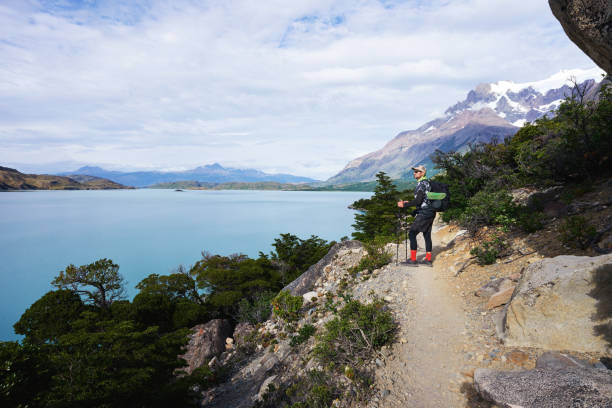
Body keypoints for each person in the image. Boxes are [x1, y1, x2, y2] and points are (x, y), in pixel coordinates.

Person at [397, 165, 435, 266]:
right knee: (427, 235)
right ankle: (427, 260)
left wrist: (404, 204)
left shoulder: (422, 184)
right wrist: (410, 203)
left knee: (412, 233)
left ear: (422, 173)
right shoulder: (427, 183)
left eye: (417, 171)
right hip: (431, 212)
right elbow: (423, 200)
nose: (414, 173)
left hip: (424, 213)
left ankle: (413, 260)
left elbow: (418, 200)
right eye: (414, 171)